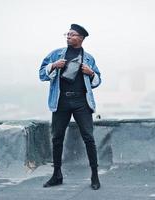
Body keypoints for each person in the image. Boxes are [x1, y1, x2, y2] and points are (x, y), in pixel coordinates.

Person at [39, 24, 102, 190]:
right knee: (57, 137)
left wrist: (91, 73)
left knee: (89, 138)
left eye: (72, 34)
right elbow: (41, 74)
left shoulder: (89, 58)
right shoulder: (56, 54)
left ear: (80, 38)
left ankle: (95, 176)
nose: (68, 36)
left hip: (82, 102)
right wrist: (53, 66)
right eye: (67, 34)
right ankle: (56, 175)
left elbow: (97, 81)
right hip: (61, 101)